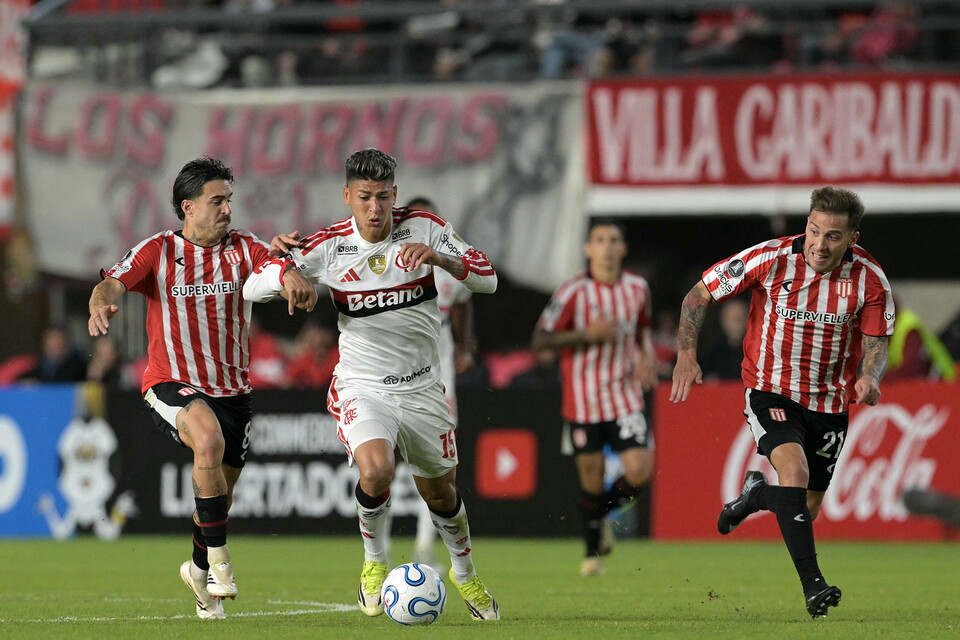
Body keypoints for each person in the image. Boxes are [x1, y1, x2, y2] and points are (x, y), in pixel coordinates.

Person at [245, 148, 500, 621]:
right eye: (365, 197)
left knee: (441, 495)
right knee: (376, 470)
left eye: (383, 196)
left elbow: (488, 279)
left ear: (395, 195)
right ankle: (374, 564)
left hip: (424, 388)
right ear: (348, 196)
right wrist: (285, 271)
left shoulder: (424, 227)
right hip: (364, 386)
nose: (376, 208)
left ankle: (466, 575)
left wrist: (442, 258)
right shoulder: (330, 245)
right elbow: (251, 283)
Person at [87, 157, 316, 620]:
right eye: (217, 201)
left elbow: (277, 266)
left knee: (217, 495)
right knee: (206, 442)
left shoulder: (244, 248)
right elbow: (112, 283)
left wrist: (292, 277)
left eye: (229, 199)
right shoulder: (158, 251)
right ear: (188, 208)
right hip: (171, 382)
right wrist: (101, 304)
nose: (227, 209)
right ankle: (219, 563)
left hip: (233, 393)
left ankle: (195, 570)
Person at [670, 186, 895, 619]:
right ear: (806, 225)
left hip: (829, 402)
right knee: (793, 471)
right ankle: (815, 588)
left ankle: (755, 496)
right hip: (770, 389)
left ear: (852, 238)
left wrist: (870, 376)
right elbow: (700, 293)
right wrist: (686, 353)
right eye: (814, 230)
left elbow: (876, 344)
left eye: (833, 236)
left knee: (804, 507)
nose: (819, 244)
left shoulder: (868, 278)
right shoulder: (772, 257)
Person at [531, 219, 657, 577]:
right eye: (599, 240)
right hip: (583, 399)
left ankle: (600, 515)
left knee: (640, 472)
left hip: (625, 394)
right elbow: (541, 339)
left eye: (613, 240)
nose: (606, 246)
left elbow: (643, 329)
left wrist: (647, 355)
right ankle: (591, 554)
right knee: (591, 478)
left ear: (623, 249)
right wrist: (587, 334)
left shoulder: (637, 288)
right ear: (588, 249)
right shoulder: (573, 292)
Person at [403, 195, 478, 569]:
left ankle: (423, 541)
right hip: (394, 366)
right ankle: (378, 548)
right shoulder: (383, 264)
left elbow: (465, 301)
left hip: (440, 368)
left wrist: (466, 346)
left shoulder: (448, 267)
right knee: (385, 458)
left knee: (435, 459)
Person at [699, 297, 748, 381]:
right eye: (733, 319)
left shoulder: (759, 350)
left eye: (740, 318)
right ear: (723, 320)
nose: (737, 323)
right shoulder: (712, 351)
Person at [19, 326, 87, 383]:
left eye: (59, 340)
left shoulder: (77, 367)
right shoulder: (38, 366)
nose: (56, 344)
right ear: (44, 344)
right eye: (52, 341)